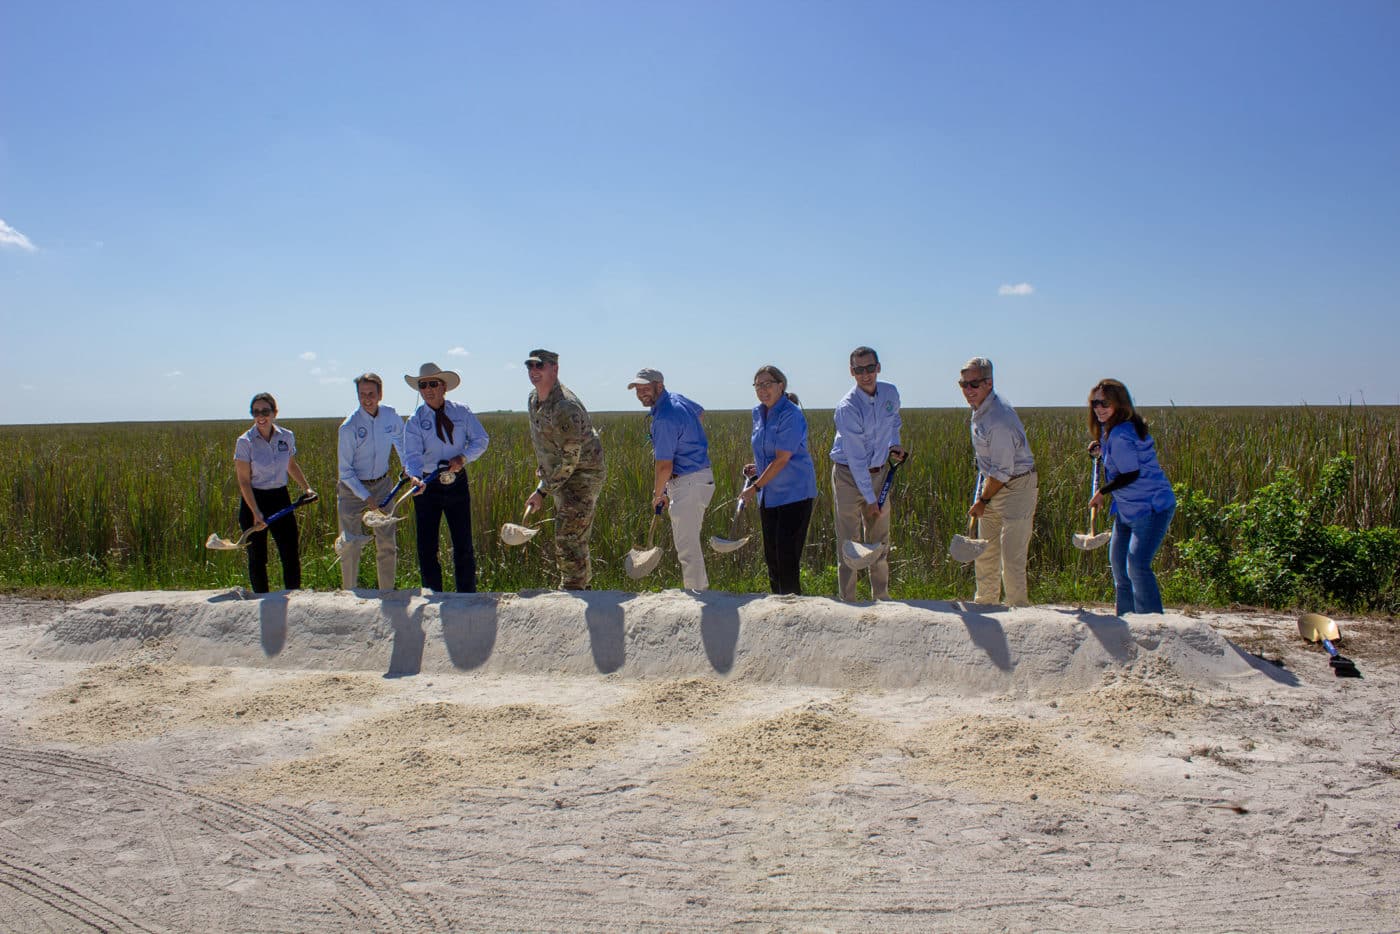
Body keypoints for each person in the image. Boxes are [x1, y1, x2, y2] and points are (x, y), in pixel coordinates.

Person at [1088, 379, 1177, 615]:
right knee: (1119, 568)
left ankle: (1151, 625)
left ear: (1119, 403)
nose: (1099, 408)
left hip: (1150, 508)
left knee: (1137, 565)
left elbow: (1131, 473)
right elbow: (1119, 456)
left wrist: (1102, 493)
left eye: (1104, 403)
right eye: (1095, 402)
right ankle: (1125, 621)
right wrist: (1101, 448)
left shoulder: (1119, 434)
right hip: (1126, 510)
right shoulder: (1113, 431)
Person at [403, 362, 489, 593]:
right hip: (426, 484)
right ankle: (433, 595)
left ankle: (466, 596)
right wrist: (414, 477)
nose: (428, 389)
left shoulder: (462, 411)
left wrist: (463, 458)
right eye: (423, 385)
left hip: (456, 481)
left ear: (444, 387)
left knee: (463, 543)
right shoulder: (414, 420)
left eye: (433, 384)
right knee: (427, 546)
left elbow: (481, 440)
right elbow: (411, 456)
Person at [959, 357, 1038, 606]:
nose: (968, 390)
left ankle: (1018, 613)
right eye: (963, 384)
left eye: (974, 384)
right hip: (992, 483)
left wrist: (983, 500)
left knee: (1011, 557)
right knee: (984, 551)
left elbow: (1003, 471)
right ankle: (986, 604)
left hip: (1016, 487)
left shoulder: (998, 418)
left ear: (989, 383)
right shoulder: (980, 411)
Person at [524, 349, 606, 590]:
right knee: (569, 532)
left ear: (554, 369)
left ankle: (575, 588)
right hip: (560, 475)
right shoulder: (533, 400)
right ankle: (580, 587)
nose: (534, 371)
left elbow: (571, 458)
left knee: (569, 535)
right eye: (530, 366)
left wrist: (543, 491)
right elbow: (547, 447)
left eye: (540, 366)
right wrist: (544, 481)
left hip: (583, 474)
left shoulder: (565, 407)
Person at [628, 367, 715, 590]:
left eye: (645, 388)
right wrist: (690, 440)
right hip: (699, 478)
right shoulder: (677, 400)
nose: (641, 393)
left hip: (688, 482)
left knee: (687, 547)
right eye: (637, 389)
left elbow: (664, 465)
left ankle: (698, 595)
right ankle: (698, 591)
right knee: (689, 541)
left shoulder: (664, 418)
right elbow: (700, 412)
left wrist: (658, 494)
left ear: (660, 385)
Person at [830, 346, 906, 601]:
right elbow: (856, 458)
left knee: (879, 538)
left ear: (878, 367)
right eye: (859, 370)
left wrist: (894, 444)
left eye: (870, 368)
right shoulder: (847, 407)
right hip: (849, 476)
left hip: (880, 471)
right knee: (850, 542)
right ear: (852, 372)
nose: (866, 375)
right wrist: (871, 499)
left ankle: (881, 598)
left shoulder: (890, 393)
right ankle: (848, 600)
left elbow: (894, 421)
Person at [740, 365, 818, 595]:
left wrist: (755, 487)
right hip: (770, 494)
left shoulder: (791, 414)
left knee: (786, 556)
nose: (763, 390)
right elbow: (769, 453)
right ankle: (778, 605)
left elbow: (783, 458)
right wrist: (758, 468)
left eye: (768, 384)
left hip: (794, 493)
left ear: (781, 386)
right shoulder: (758, 412)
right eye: (758, 385)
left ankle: (792, 608)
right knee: (772, 556)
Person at [233, 392, 316, 593]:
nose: (261, 416)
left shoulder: (286, 436)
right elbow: (244, 481)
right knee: (257, 556)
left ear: (274, 413)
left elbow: (290, 465)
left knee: (289, 553)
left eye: (265, 411)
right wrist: (255, 512)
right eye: (256, 412)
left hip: (280, 498)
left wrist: (307, 488)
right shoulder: (245, 441)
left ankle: (293, 596)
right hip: (254, 499)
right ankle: (262, 600)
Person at [335, 373, 408, 591]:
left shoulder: (390, 415)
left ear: (380, 394)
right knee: (350, 543)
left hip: (383, 485)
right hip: (352, 490)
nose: (367, 399)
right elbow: (345, 471)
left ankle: (387, 592)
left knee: (387, 542)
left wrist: (407, 467)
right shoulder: (349, 426)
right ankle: (350, 593)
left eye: (371, 394)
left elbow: (401, 441)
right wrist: (365, 497)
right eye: (362, 394)